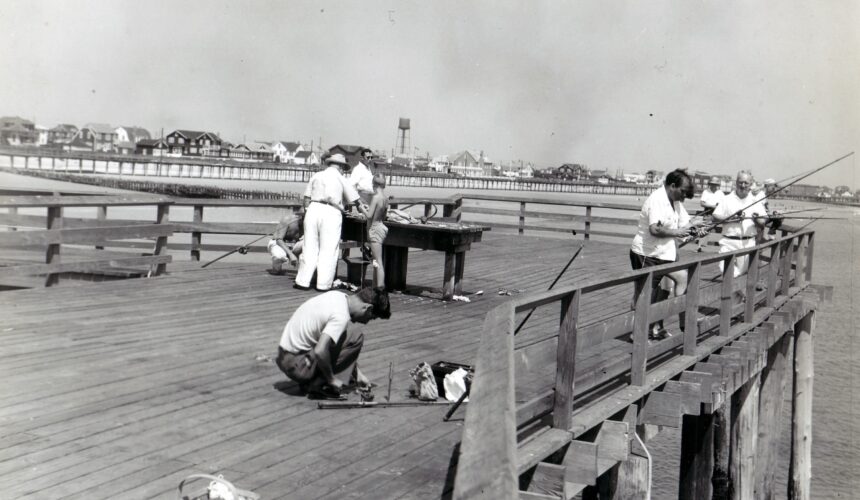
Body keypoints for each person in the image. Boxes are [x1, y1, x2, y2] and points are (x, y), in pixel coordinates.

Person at [630, 169, 705, 339]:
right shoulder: (657, 199)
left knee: (683, 278)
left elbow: (686, 225)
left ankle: (686, 325)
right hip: (646, 255)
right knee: (643, 296)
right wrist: (679, 232)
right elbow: (655, 229)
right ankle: (637, 334)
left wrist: (697, 231)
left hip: (664, 255)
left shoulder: (676, 201)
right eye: (683, 192)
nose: (684, 197)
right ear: (672, 186)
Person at [276, 287, 391, 397]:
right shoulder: (341, 316)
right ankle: (318, 383)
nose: (366, 322)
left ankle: (315, 377)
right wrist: (331, 379)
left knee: (343, 334)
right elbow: (320, 351)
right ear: (368, 308)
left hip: (285, 357)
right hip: (297, 366)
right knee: (356, 336)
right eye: (371, 318)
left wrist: (358, 375)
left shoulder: (339, 297)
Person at [295, 153, 369, 291]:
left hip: (313, 209)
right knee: (328, 249)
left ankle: (302, 281)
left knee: (309, 246)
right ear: (340, 166)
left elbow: (306, 198)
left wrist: (308, 212)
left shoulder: (317, 175)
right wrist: (368, 215)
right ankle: (323, 284)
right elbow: (356, 201)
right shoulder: (341, 178)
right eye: (343, 168)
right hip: (331, 212)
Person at [712, 171, 768, 277]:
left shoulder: (755, 201)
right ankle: (734, 291)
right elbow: (715, 217)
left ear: (750, 185)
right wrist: (730, 218)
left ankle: (735, 292)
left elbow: (762, 223)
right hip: (728, 242)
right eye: (740, 182)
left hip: (747, 243)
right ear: (736, 182)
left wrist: (756, 219)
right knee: (725, 270)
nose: (743, 185)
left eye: (746, 183)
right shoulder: (726, 199)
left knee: (741, 273)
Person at [366, 172, 389, 288]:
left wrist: (361, 208)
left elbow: (369, 216)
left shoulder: (375, 197)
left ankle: (380, 288)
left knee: (378, 261)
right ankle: (375, 287)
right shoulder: (385, 198)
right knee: (376, 260)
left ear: (373, 184)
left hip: (375, 228)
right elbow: (384, 216)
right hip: (381, 227)